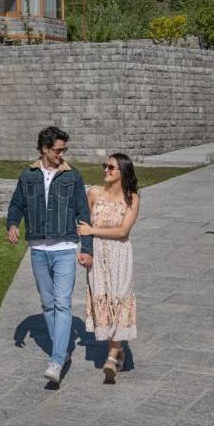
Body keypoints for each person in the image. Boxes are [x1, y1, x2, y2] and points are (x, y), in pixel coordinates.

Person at [7, 126, 94, 384]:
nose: (62, 154)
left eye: (64, 149)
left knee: (62, 303)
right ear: (45, 149)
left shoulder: (72, 177)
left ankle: (56, 361)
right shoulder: (28, 175)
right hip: (38, 250)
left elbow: (83, 214)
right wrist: (12, 224)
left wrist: (87, 249)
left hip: (65, 249)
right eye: (58, 150)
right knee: (47, 303)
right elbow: (16, 205)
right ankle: (64, 351)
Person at [77, 152, 139, 384]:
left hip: (120, 254)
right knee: (103, 299)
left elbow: (123, 231)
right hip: (99, 255)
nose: (106, 170)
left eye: (111, 167)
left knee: (120, 299)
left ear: (123, 171)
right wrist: (86, 251)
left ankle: (112, 357)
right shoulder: (93, 193)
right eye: (105, 166)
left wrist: (93, 232)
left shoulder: (132, 198)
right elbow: (83, 225)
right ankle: (119, 350)